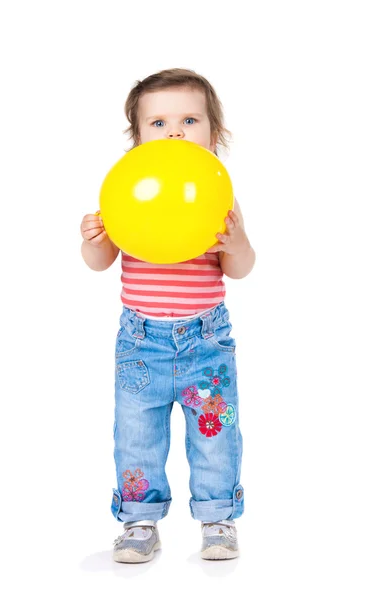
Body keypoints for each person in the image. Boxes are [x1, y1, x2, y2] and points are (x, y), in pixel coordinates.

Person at [80, 68, 256, 563]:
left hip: (206, 338)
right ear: (135, 140)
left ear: (214, 134)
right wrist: (92, 241)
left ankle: (218, 518)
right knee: (137, 433)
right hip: (141, 342)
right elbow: (100, 263)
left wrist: (238, 243)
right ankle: (139, 522)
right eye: (157, 122)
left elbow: (239, 269)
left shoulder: (218, 198)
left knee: (215, 434)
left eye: (190, 119)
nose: (174, 131)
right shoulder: (127, 194)